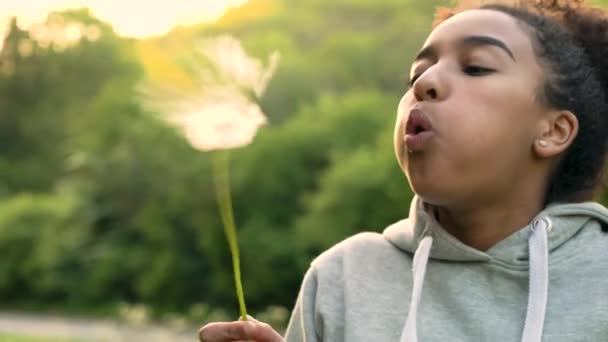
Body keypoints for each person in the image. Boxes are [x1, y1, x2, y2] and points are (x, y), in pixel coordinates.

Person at [199, 0, 608, 340]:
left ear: (553, 131)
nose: (425, 82)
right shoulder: (344, 276)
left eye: (476, 67)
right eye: (416, 73)